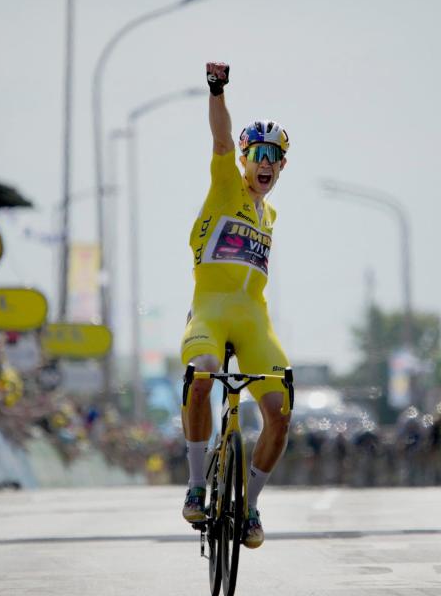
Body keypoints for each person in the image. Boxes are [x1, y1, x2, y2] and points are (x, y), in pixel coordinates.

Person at [179, 62, 292, 549]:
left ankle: (250, 508)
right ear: (247, 158)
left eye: (276, 156)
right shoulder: (228, 183)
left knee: (281, 412)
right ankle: (197, 484)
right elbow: (222, 138)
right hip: (209, 310)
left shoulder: (271, 213)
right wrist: (217, 90)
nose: (266, 162)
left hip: (253, 321)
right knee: (203, 373)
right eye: (259, 153)